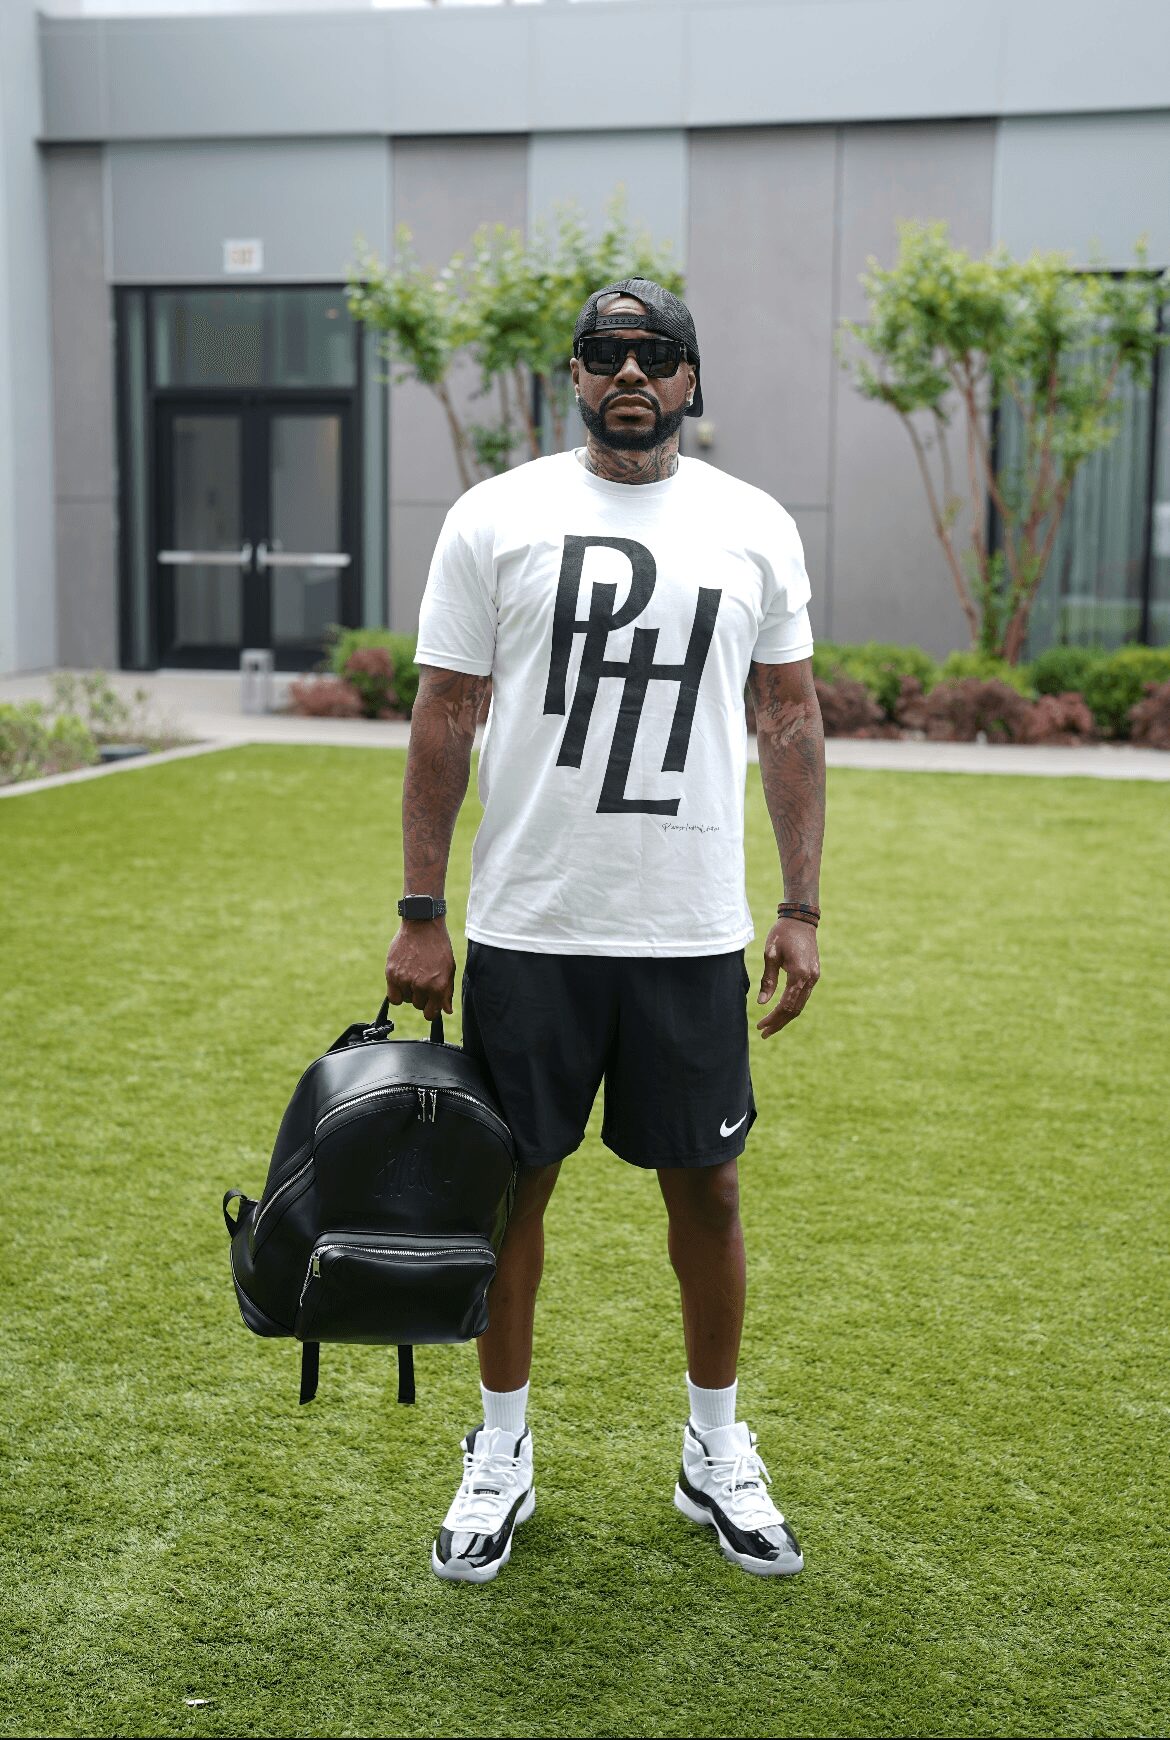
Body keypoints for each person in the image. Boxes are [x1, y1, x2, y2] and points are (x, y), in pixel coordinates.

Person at [385, 277, 825, 1583]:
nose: (630, 372)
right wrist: (421, 912)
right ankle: (501, 1448)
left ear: (691, 380)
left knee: (711, 1188)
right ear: (573, 375)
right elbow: (444, 712)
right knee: (511, 1187)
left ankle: (714, 1449)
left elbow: (788, 715)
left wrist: (800, 905)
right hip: (533, 924)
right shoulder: (495, 515)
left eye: (656, 354)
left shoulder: (752, 524)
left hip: (688, 929)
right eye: (605, 352)